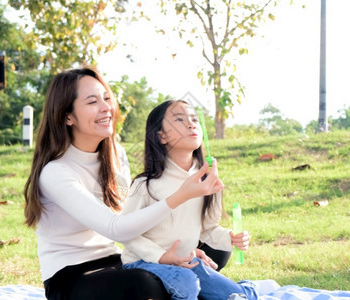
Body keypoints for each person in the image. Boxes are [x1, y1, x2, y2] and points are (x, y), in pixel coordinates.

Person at [23, 67, 225, 300]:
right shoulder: (56, 173)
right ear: (67, 116)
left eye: (107, 98)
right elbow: (116, 228)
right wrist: (181, 195)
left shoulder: (115, 154)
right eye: (92, 102)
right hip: (73, 277)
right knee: (144, 284)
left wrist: (174, 251)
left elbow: (129, 218)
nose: (106, 107)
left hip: (118, 262)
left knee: (215, 251)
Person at [121, 100, 259, 300]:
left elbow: (208, 228)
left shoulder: (207, 179)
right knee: (186, 283)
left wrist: (230, 238)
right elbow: (126, 232)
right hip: (143, 261)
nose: (191, 124)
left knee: (241, 296)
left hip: (187, 262)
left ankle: (247, 289)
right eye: (179, 119)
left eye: (194, 119)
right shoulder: (145, 185)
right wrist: (161, 256)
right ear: (162, 136)